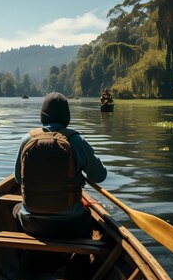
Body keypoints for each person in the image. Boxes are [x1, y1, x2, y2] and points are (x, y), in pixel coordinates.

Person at [14, 92, 107, 239]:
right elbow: (99, 176)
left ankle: (24, 256)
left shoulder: (26, 139)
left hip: (32, 223)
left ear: (42, 116)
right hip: (70, 224)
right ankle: (81, 259)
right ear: (67, 117)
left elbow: (19, 180)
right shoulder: (77, 141)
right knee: (87, 215)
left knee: (15, 210)